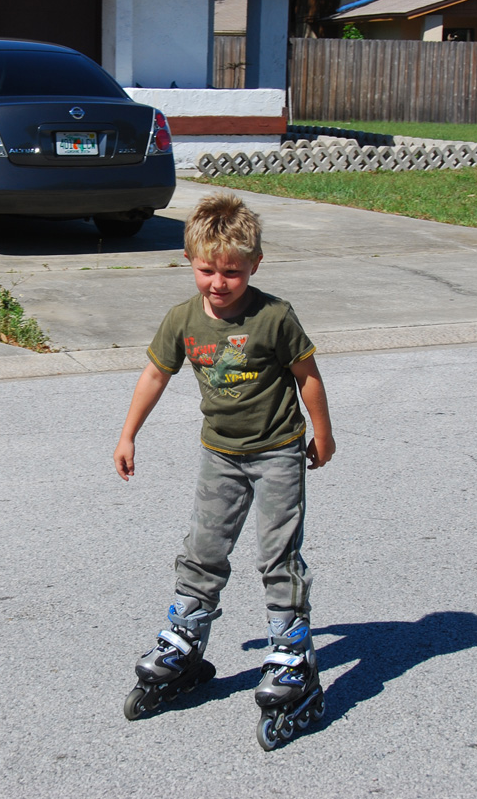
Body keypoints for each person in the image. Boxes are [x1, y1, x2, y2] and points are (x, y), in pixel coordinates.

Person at [114, 191, 336, 735]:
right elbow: (154, 376)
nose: (219, 282)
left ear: (254, 265)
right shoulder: (183, 319)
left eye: (232, 272)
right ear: (189, 261)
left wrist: (323, 432)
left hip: (278, 450)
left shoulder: (275, 316)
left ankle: (291, 651)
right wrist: (128, 434)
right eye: (208, 269)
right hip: (220, 454)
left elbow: (307, 375)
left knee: (277, 551)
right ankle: (186, 637)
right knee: (203, 547)